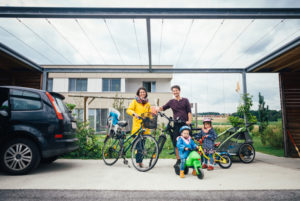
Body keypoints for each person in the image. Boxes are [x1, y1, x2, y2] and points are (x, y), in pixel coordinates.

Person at [158, 85, 192, 167]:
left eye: (176, 90)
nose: (175, 92)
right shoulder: (171, 102)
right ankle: (178, 160)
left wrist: (189, 121)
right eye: (173, 91)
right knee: (176, 142)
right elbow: (163, 108)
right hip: (176, 124)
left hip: (185, 124)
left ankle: (188, 159)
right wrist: (156, 108)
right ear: (172, 92)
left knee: (187, 141)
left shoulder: (185, 100)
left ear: (179, 91)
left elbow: (189, 112)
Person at [126, 87, 151, 167]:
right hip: (137, 127)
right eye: (140, 92)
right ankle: (138, 162)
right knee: (138, 146)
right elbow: (128, 110)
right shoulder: (135, 102)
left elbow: (149, 113)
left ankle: (141, 162)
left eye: (143, 92)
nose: (142, 93)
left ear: (146, 93)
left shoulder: (148, 104)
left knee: (143, 147)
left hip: (145, 127)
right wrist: (134, 114)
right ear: (138, 93)